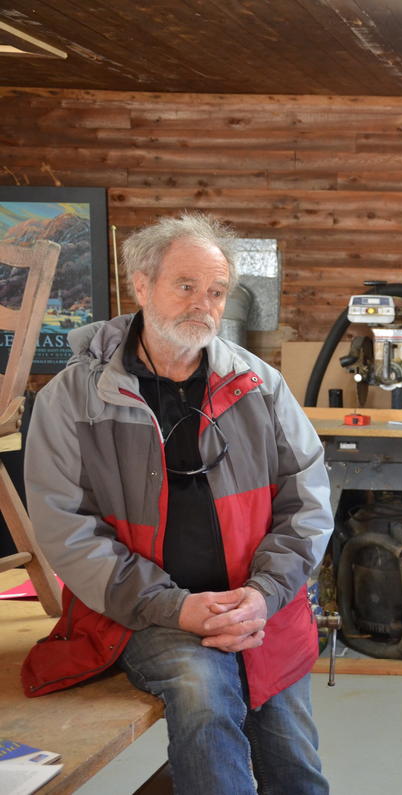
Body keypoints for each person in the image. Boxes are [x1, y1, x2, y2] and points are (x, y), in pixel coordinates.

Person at [20, 213, 333, 795]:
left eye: (216, 291)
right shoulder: (72, 399)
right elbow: (66, 528)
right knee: (204, 694)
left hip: (259, 609)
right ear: (142, 286)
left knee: (294, 765)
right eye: (186, 285)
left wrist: (264, 594)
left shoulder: (260, 386)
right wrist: (174, 607)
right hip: (143, 612)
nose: (203, 305)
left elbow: (307, 501)